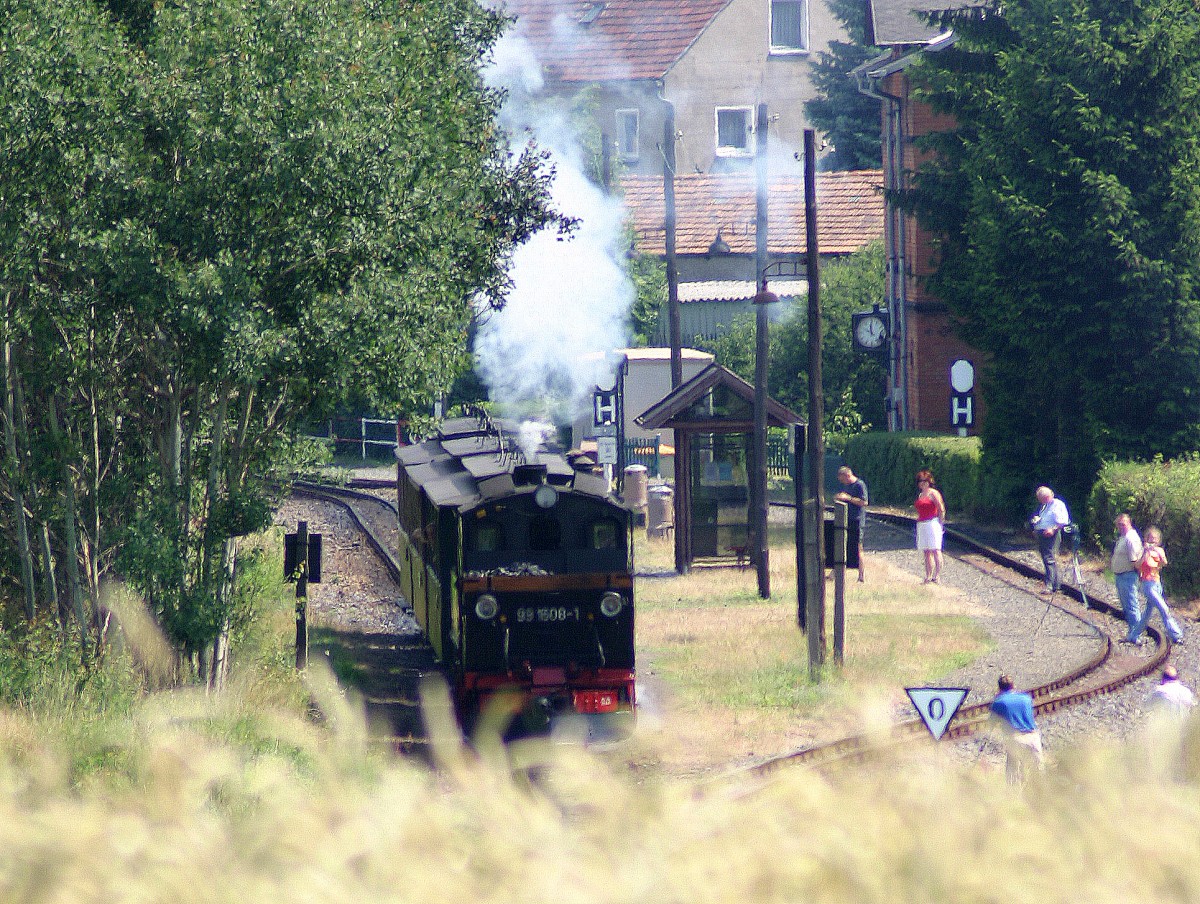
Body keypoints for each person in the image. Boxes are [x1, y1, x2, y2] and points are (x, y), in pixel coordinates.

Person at [1127, 526, 1184, 645]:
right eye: (1150, 538)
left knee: (1147, 614)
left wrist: (1156, 551)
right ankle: (1176, 635)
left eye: (1155, 538)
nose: (1152, 540)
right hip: (1147, 585)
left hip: (1157, 583)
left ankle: (1133, 635)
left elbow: (1164, 563)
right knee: (1164, 609)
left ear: (1158, 540)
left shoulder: (1159, 551)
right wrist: (1145, 552)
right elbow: (1137, 566)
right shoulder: (1142, 551)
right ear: (1146, 539)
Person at [989, 674, 1044, 783]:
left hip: (1015, 738)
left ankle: (1013, 795)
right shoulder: (1026, 698)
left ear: (999, 688)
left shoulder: (999, 702)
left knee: (1013, 773)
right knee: (1039, 769)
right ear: (1013, 686)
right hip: (1033, 736)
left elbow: (992, 723)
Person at [1030, 486, 1070, 594]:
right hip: (1042, 534)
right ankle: (1055, 584)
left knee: (1049, 559)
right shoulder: (1045, 505)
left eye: (1044, 498)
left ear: (1050, 495)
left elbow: (1063, 521)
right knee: (1047, 558)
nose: (1043, 501)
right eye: (1041, 499)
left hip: (1051, 535)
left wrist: (1052, 529)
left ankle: (1050, 586)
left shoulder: (1057, 505)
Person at [1111, 513, 1144, 637]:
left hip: (1128, 575)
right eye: (1119, 524)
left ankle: (1136, 635)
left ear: (1129, 523)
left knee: (1131, 605)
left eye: (1123, 524)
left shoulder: (1130, 538)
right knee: (1127, 606)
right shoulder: (1123, 537)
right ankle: (1132, 633)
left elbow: (1135, 561)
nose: (1121, 527)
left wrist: (1139, 575)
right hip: (1121, 575)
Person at [834, 466, 868, 582]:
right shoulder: (847, 486)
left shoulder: (859, 485)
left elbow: (864, 502)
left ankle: (861, 576)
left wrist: (848, 498)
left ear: (848, 475)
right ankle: (835, 572)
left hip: (857, 520)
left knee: (858, 548)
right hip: (846, 519)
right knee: (841, 545)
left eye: (843, 479)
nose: (842, 482)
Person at [913, 469, 946, 584]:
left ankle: (937, 576)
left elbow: (941, 508)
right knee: (926, 551)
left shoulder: (933, 493)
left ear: (929, 481)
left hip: (932, 523)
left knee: (936, 549)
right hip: (922, 524)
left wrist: (940, 523)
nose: (922, 483)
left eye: (924, 481)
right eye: (920, 481)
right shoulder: (921, 495)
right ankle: (928, 575)